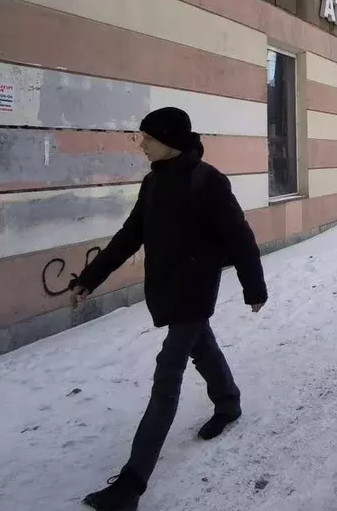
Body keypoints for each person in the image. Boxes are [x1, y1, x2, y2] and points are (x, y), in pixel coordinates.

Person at [69, 107, 268, 511]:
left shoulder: (207, 181)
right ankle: (228, 402)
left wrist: (254, 287)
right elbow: (129, 236)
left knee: (167, 375)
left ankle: (131, 484)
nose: (141, 144)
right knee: (203, 348)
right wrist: (89, 277)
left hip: (195, 289)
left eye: (147, 138)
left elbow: (239, 236)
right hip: (165, 288)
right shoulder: (153, 183)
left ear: (169, 141)